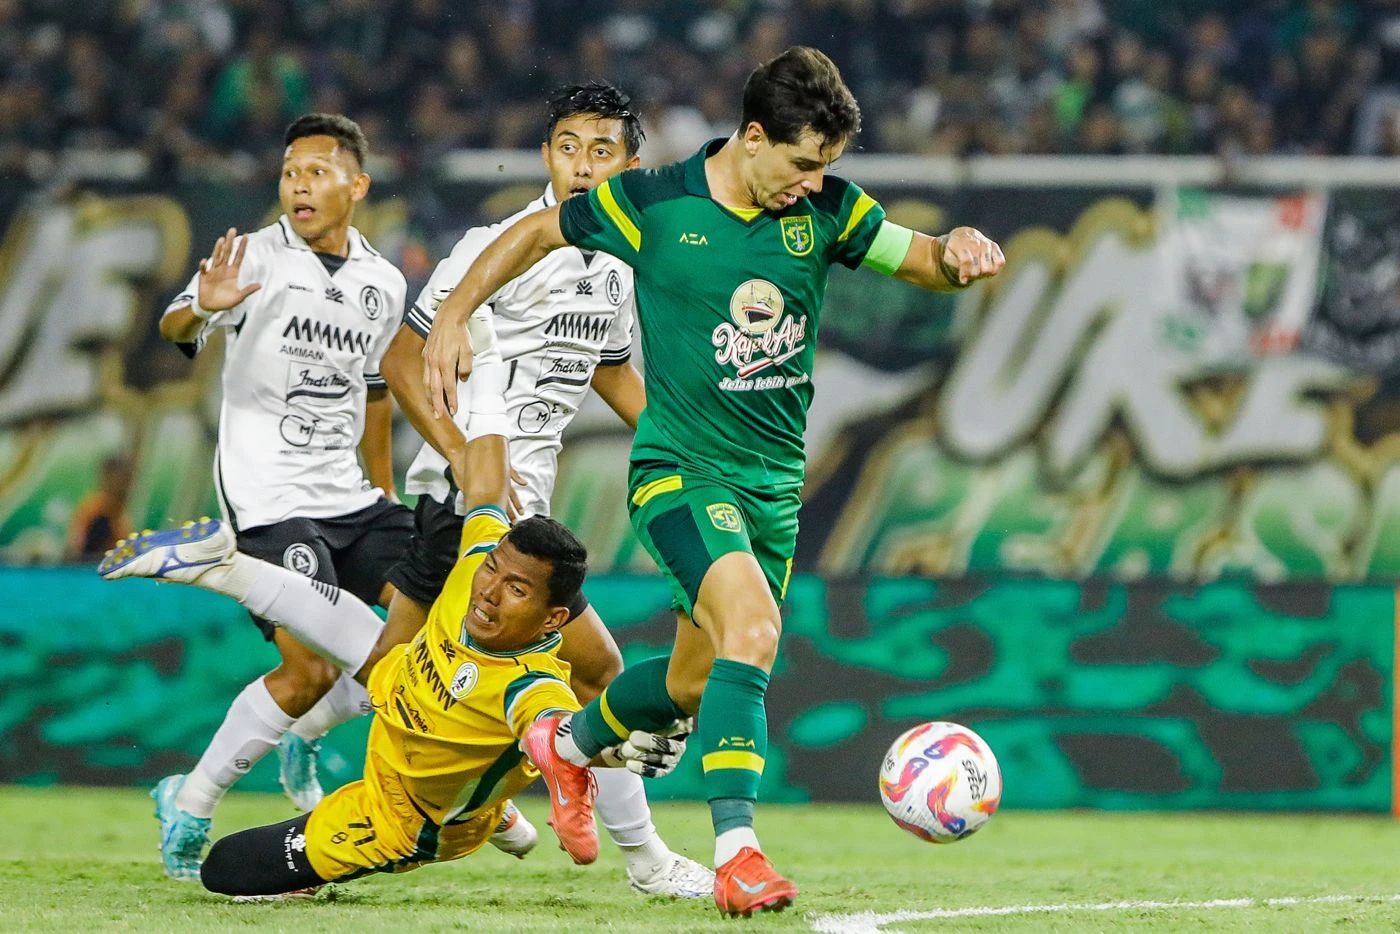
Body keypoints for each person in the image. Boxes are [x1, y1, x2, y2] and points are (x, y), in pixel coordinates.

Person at [422, 47, 1007, 917]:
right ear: (754, 136)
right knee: (754, 631)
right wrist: (454, 313)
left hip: (773, 490)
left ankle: (566, 746)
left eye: (827, 166)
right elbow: (539, 231)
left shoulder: (830, 210)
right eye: (803, 163)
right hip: (683, 474)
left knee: (694, 682)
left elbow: (917, 258)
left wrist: (955, 254)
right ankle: (739, 855)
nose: (814, 182)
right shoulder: (656, 203)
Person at [96, 316, 685, 897]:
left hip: (400, 815)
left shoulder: (530, 686)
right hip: (404, 702)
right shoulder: (479, 562)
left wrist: (613, 747)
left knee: (226, 870)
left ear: (555, 617)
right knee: (388, 666)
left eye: (516, 590)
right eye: (493, 571)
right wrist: (486, 370)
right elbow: (483, 483)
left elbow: (557, 730)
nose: (488, 591)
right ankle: (231, 572)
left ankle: (234, 579)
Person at [376, 82, 710, 897]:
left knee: (387, 676)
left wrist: (685, 447)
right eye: (567, 148)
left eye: (601, 151)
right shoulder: (497, 247)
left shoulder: (616, 266)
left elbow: (607, 369)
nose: (582, 166)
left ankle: (463, 802)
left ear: (630, 165)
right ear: (545, 156)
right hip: (479, 506)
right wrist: (465, 459)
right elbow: (400, 359)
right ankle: (645, 859)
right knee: (597, 671)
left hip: (515, 505)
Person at [151, 112, 414, 881]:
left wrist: (384, 493)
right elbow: (175, 328)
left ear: (356, 185)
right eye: (290, 171)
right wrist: (203, 304)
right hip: (267, 497)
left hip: (352, 499)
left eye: (316, 171)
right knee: (308, 670)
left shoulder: (382, 282)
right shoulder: (254, 257)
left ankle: (305, 733)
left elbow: (375, 394)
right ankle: (190, 802)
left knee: (424, 635)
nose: (299, 184)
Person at [65, 455, 134, 562]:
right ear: (106, 477)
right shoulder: (95, 511)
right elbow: (78, 549)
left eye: (128, 478)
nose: (127, 484)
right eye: (122, 477)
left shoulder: (118, 509)